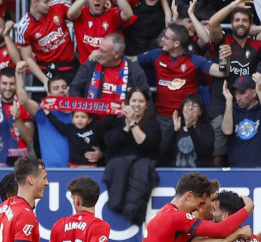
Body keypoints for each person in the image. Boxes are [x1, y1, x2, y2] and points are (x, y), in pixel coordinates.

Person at [135, 24, 229, 163]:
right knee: (162, 156)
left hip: (188, 119)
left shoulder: (194, 60)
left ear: (176, 43)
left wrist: (224, 58)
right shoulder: (156, 54)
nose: (162, 40)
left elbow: (222, 71)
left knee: (188, 157)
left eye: (166, 38)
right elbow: (129, 62)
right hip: (163, 119)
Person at [207, 0, 261, 165]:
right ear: (231, 23)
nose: (240, 24)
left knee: (245, 145)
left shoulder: (256, 45)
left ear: (250, 25)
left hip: (247, 105)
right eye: (237, 20)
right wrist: (234, 5)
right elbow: (213, 22)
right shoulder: (223, 40)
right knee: (219, 153)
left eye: (244, 20)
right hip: (222, 103)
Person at [14, 61, 73, 168]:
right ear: (49, 94)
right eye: (56, 88)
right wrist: (18, 74)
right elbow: (23, 100)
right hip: (50, 171)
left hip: (75, 169)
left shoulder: (78, 113)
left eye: (64, 87)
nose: (61, 90)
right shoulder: (43, 112)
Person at [16, 0, 79, 89]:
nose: (50, 4)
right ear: (34, 2)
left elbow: (80, 14)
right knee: (41, 103)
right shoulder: (23, 26)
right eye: (46, 2)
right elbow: (27, 58)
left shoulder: (58, 5)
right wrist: (45, 81)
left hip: (69, 67)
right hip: (44, 71)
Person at [69, 33, 148, 102]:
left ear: (117, 54)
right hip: (92, 116)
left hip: (122, 117)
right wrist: (80, 110)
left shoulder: (135, 72)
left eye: (103, 51)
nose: (98, 53)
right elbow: (75, 87)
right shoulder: (91, 64)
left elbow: (145, 98)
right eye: (99, 49)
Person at [221, 74, 261, 168]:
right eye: (236, 94)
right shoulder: (232, 109)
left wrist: (260, 92)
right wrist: (229, 101)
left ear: (254, 93)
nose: (238, 98)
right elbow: (227, 131)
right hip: (237, 169)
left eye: (242, 93)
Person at [98, 86, 160, 162]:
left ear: (146, 105)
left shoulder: (153, 124)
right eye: (134, 101)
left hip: (142, 168)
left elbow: (146, 145)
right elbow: (111, 145)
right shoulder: (116, 121)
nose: (137, 104)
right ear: (127, 103)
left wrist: (132, 122)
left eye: (141, 101)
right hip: (118, 166)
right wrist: (126, 128)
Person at [67, 0, 132, 64]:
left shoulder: (112, 14)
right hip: (86, 66)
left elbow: (128, 14)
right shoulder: (81, 14)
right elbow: (70, 14)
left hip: (107, 66)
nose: (97, 0)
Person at [165, 94, 214, 167]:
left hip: (199, 174)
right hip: (176, 173)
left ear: (200, 112)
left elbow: (203, 151)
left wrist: (190, 127)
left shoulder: (207, 129)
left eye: (194, 105)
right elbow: (164, 152)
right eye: (187, 105)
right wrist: (175, 131)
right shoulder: (174, 127)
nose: (190, 108)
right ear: (182, 110)